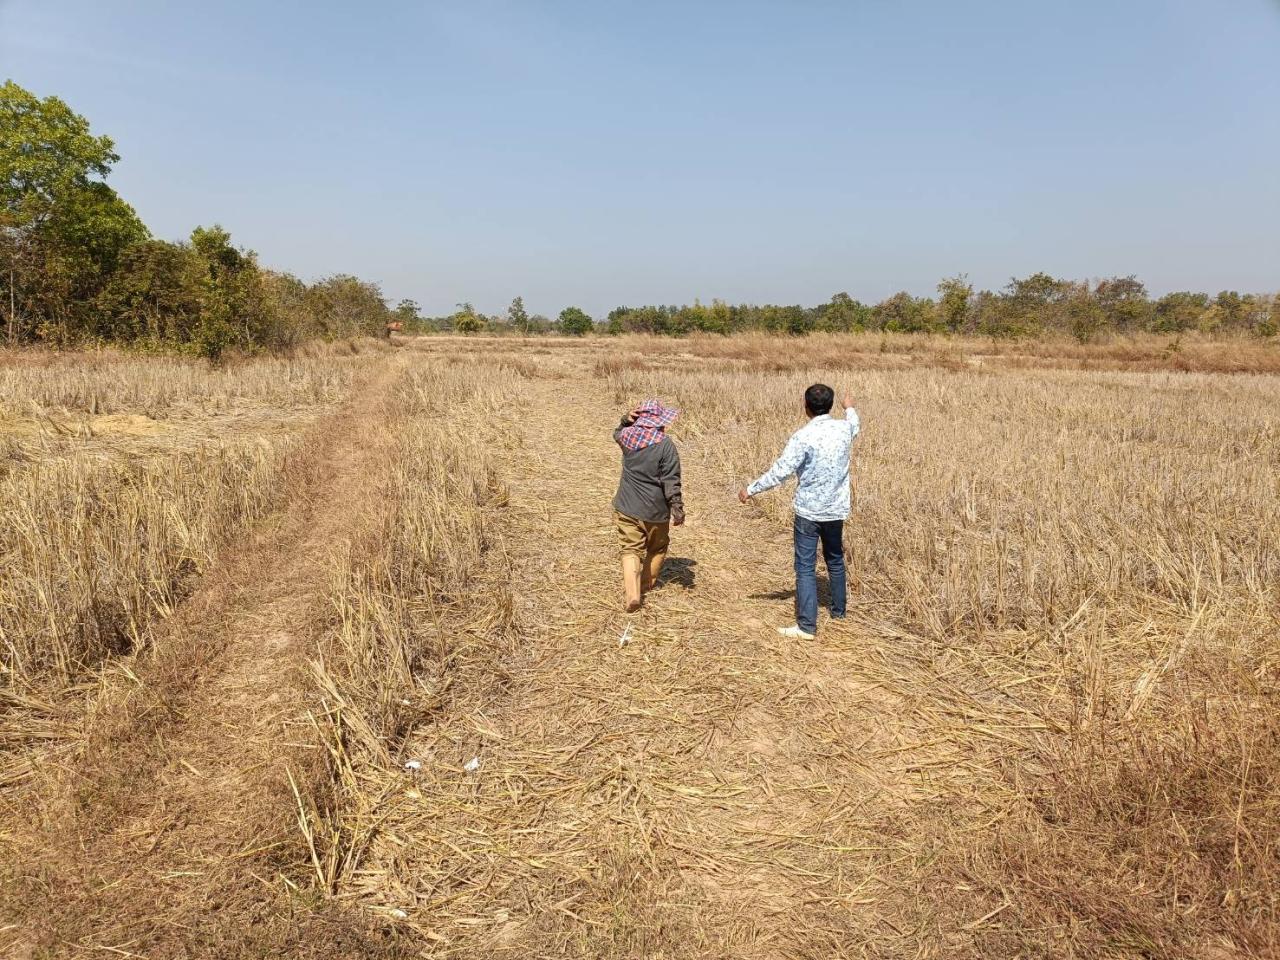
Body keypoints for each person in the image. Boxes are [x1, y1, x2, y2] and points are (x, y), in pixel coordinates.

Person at [738, 384, 859, 639]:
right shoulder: (844, 429)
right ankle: (839, 612)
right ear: (831, 404)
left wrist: (751, 489)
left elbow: (781, 472)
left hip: (808, 512)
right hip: (836, 510)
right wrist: (849, 408)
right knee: (835, 559)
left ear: (806, 407)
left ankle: (806, 626)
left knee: (805, 566)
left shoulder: (803, 437)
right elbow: (854, 422)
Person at [613, 398, 685, 612]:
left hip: (626, 506)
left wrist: (626, 419)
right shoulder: (665, 446)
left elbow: (616, 431)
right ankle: (645, 586)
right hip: (655, 511)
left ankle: (632, 595)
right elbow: (671, 480)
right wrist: (677, 508)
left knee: (630, 549)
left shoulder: (626, 438)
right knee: (658, 547)